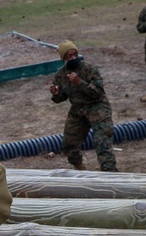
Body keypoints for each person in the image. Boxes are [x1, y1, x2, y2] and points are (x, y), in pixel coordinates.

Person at [49, 41, 117, 172]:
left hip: (97, 107)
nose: (73, 58)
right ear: (63, 58)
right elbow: (61, 98)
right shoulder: (61, 75)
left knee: (102, 143)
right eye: (69, 56)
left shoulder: (89, 69)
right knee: (69, 144)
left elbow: (97, 93)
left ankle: (110, 174)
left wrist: (79, 82)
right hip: (78, 110)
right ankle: (79, 168)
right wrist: (56, 94)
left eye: (75, 54)